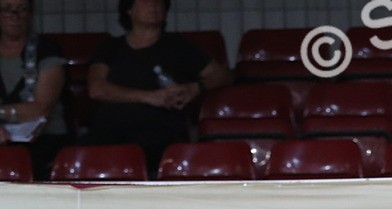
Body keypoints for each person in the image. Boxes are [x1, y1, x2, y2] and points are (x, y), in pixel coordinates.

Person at [86, 0, 230, 174]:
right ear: (129, 9)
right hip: (110, 134)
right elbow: (97, 88)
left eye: (159, 2)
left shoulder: (179, 45)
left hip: (162, 134)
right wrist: (150, 97)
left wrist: (194, 88)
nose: (154, 6)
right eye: (146, 1)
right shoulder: (109, 47)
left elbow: (222, 74)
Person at [0, 0, 69, 180]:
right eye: (7, 10)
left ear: (30, 14)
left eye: (22, 9)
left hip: (44, 136)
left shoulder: (48, 50)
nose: (15, 16)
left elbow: (41, 108)